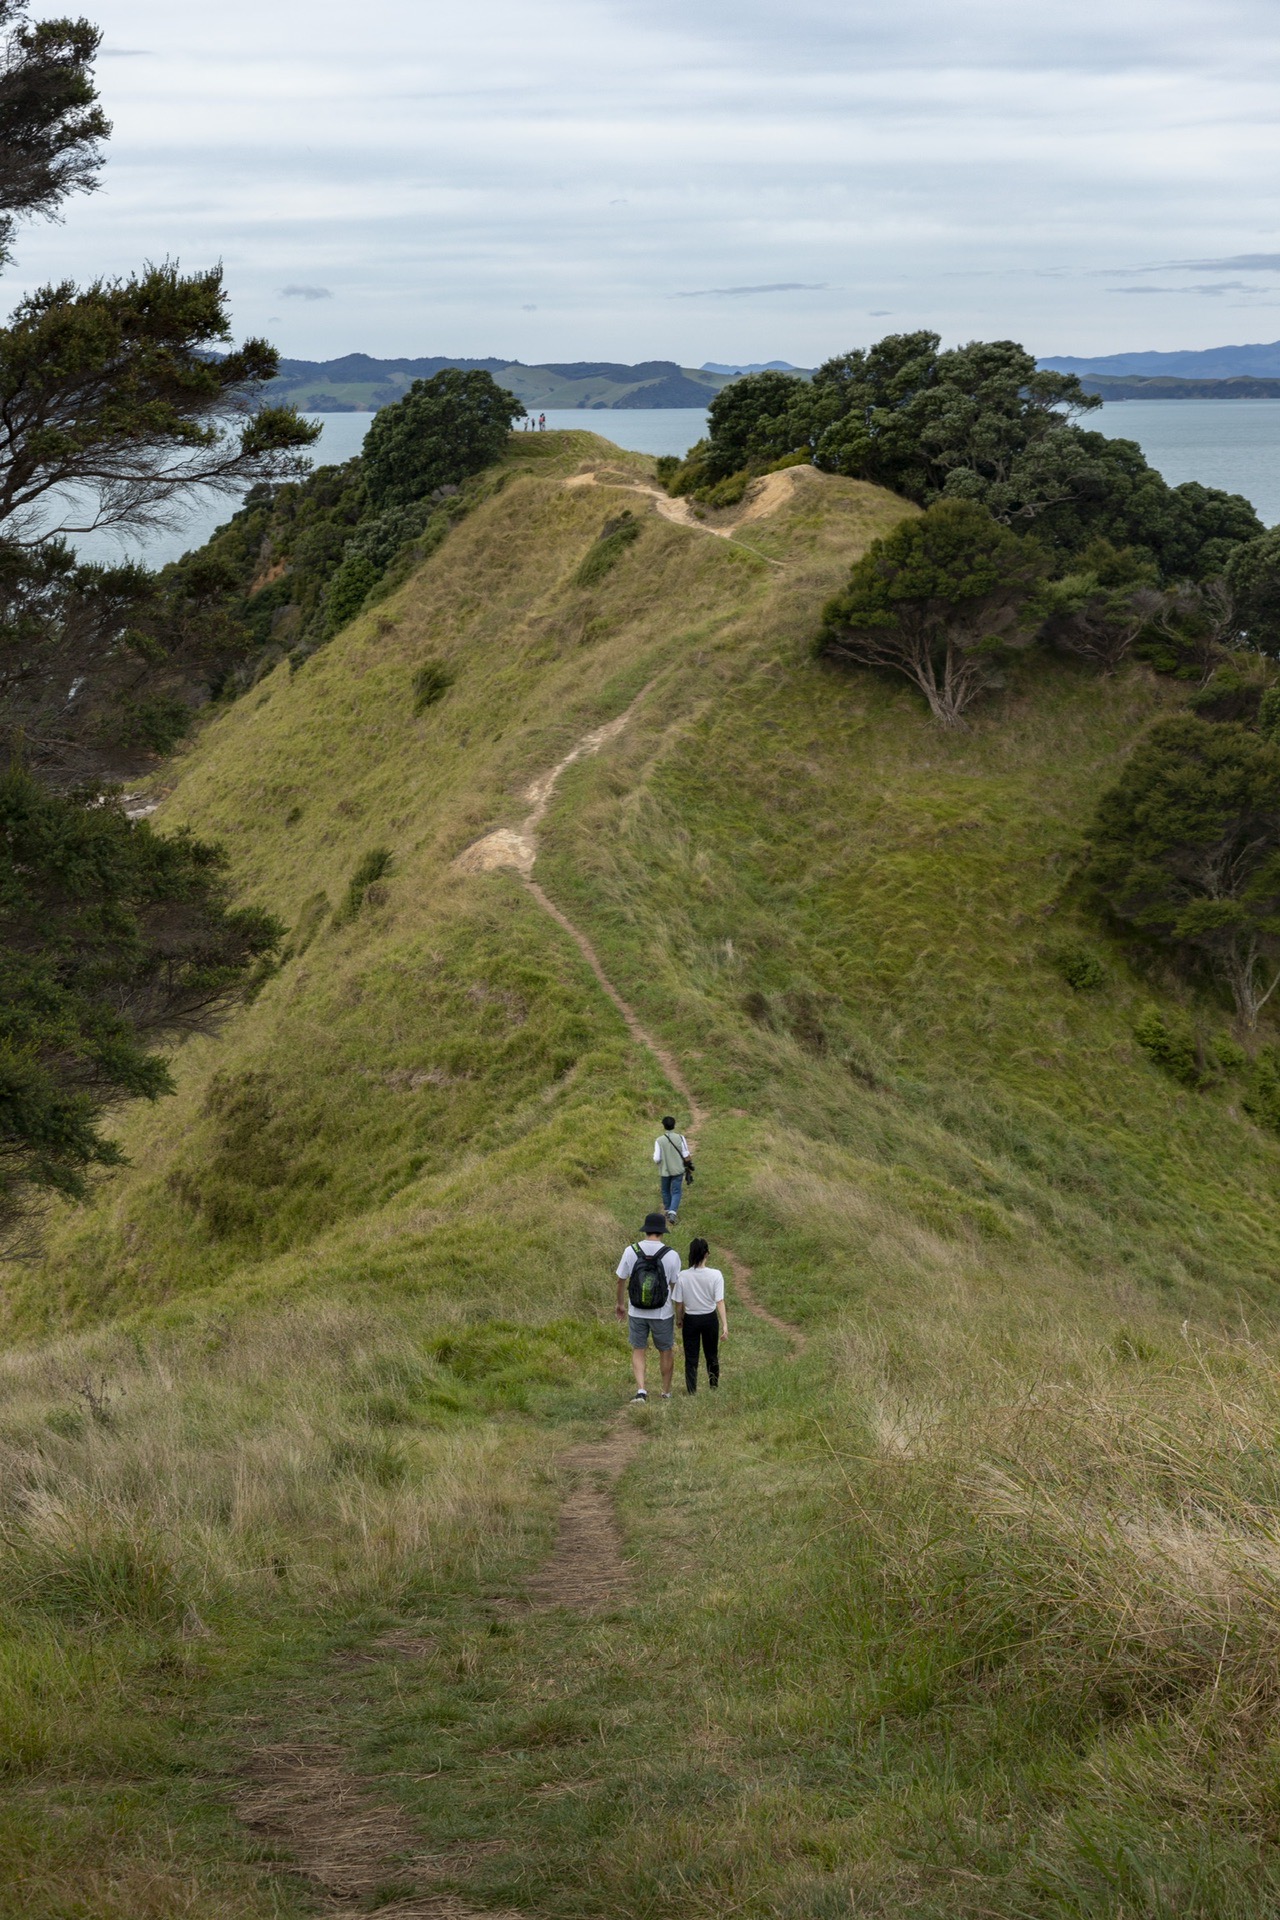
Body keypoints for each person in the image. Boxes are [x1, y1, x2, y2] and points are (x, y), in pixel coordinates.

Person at [615, 1211, 681, 1402]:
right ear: (662, 1232)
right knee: (666, 1350)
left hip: (636, 1310)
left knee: (638, 1349)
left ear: (646, 1230)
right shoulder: (671, 1255)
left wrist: (620, 1304)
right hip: (663, 1312)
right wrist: (679, 1314)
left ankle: (641, 1390)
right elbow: (675, 1287)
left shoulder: (631, 1251)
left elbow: (620, 1280)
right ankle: (666, 1392)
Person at [674, 1238, 727, 1394]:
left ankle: (691, 1390)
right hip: (710, 1319)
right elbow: (719, 1301)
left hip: (691, 1319)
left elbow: (679, 1303)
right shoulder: (716, 1274)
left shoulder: (683, 1276)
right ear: (707, 1254)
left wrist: (679, 1319)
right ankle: (714, 1386)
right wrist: (725, 1324)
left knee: (691, 1357)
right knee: (711, 1355)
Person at [653, 1115, 692, 1224]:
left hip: (665, 1170)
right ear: (674, 1125)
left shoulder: (659, 1140)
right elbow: (685, 1153)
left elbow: (656, 1158)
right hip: (678, 1169)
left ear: (663, 1125)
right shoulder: (680, 1137)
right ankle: (673, 1212)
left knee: (665, 1190)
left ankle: (667, 1209)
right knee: (676, 1191)